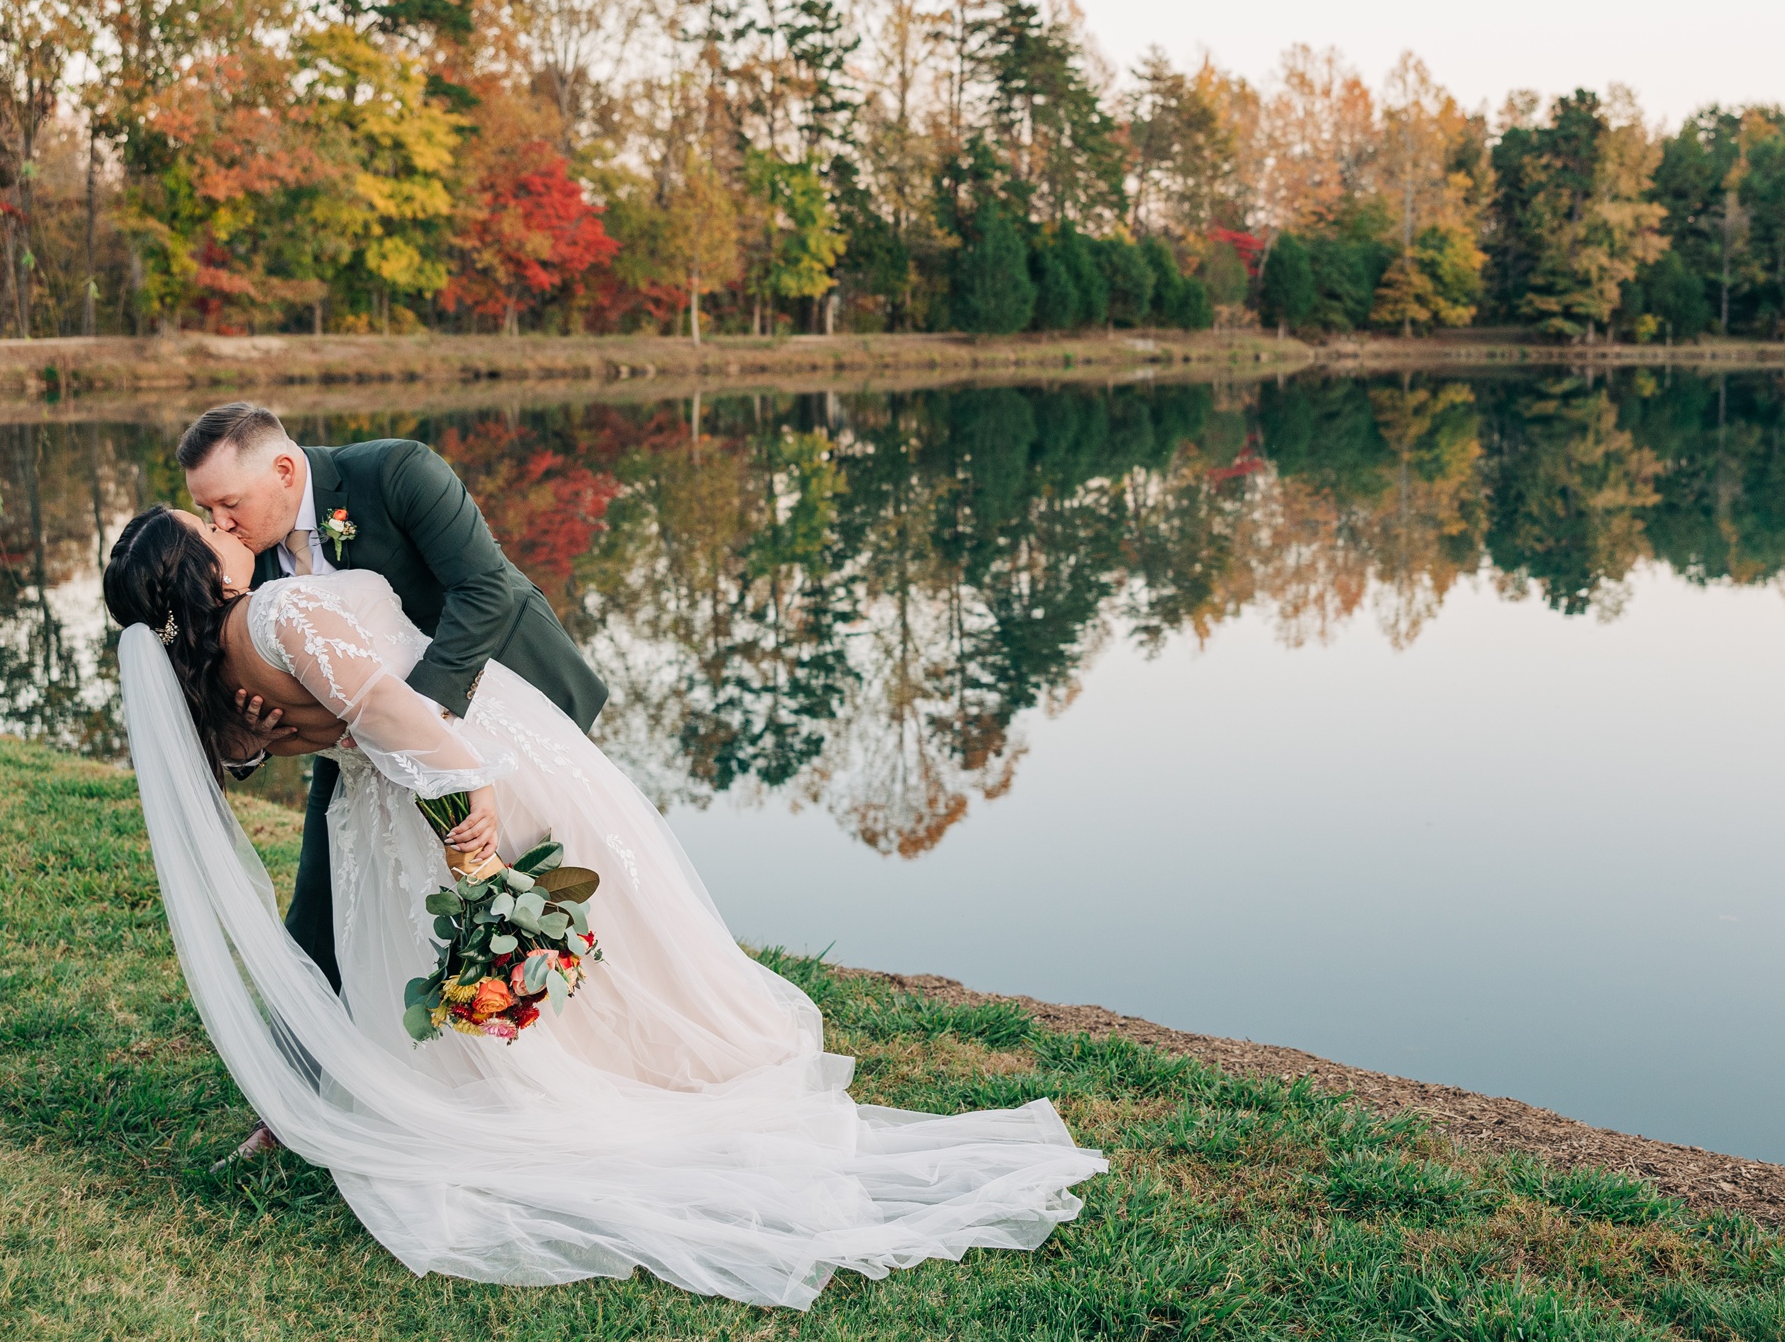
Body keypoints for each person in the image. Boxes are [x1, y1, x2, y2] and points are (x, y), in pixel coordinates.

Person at [101, 501, 1105, 1305]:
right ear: (194, 567)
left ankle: (527, 1078)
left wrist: (297, 736)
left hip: (375, 827)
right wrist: (471, 790)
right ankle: (627, 1076)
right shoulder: (274, 611)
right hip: (459, 768)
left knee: (444, 961)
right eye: (206, 531)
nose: (226, 529)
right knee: (593, 918)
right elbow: (391, 706)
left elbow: (257, 746)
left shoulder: (212, 671)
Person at [175, 403, 607, 993]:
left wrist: (416, 732)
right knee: (321, 905)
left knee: (541, 873)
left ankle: (571, 1009)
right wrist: (261, 739)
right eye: (206, 510)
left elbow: (484, 589)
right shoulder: (241, 564)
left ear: (282, 470)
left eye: (229, 504)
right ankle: (319, 1053)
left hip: (495, 692)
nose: (219, 524)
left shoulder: (398, 470)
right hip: (368, 741)